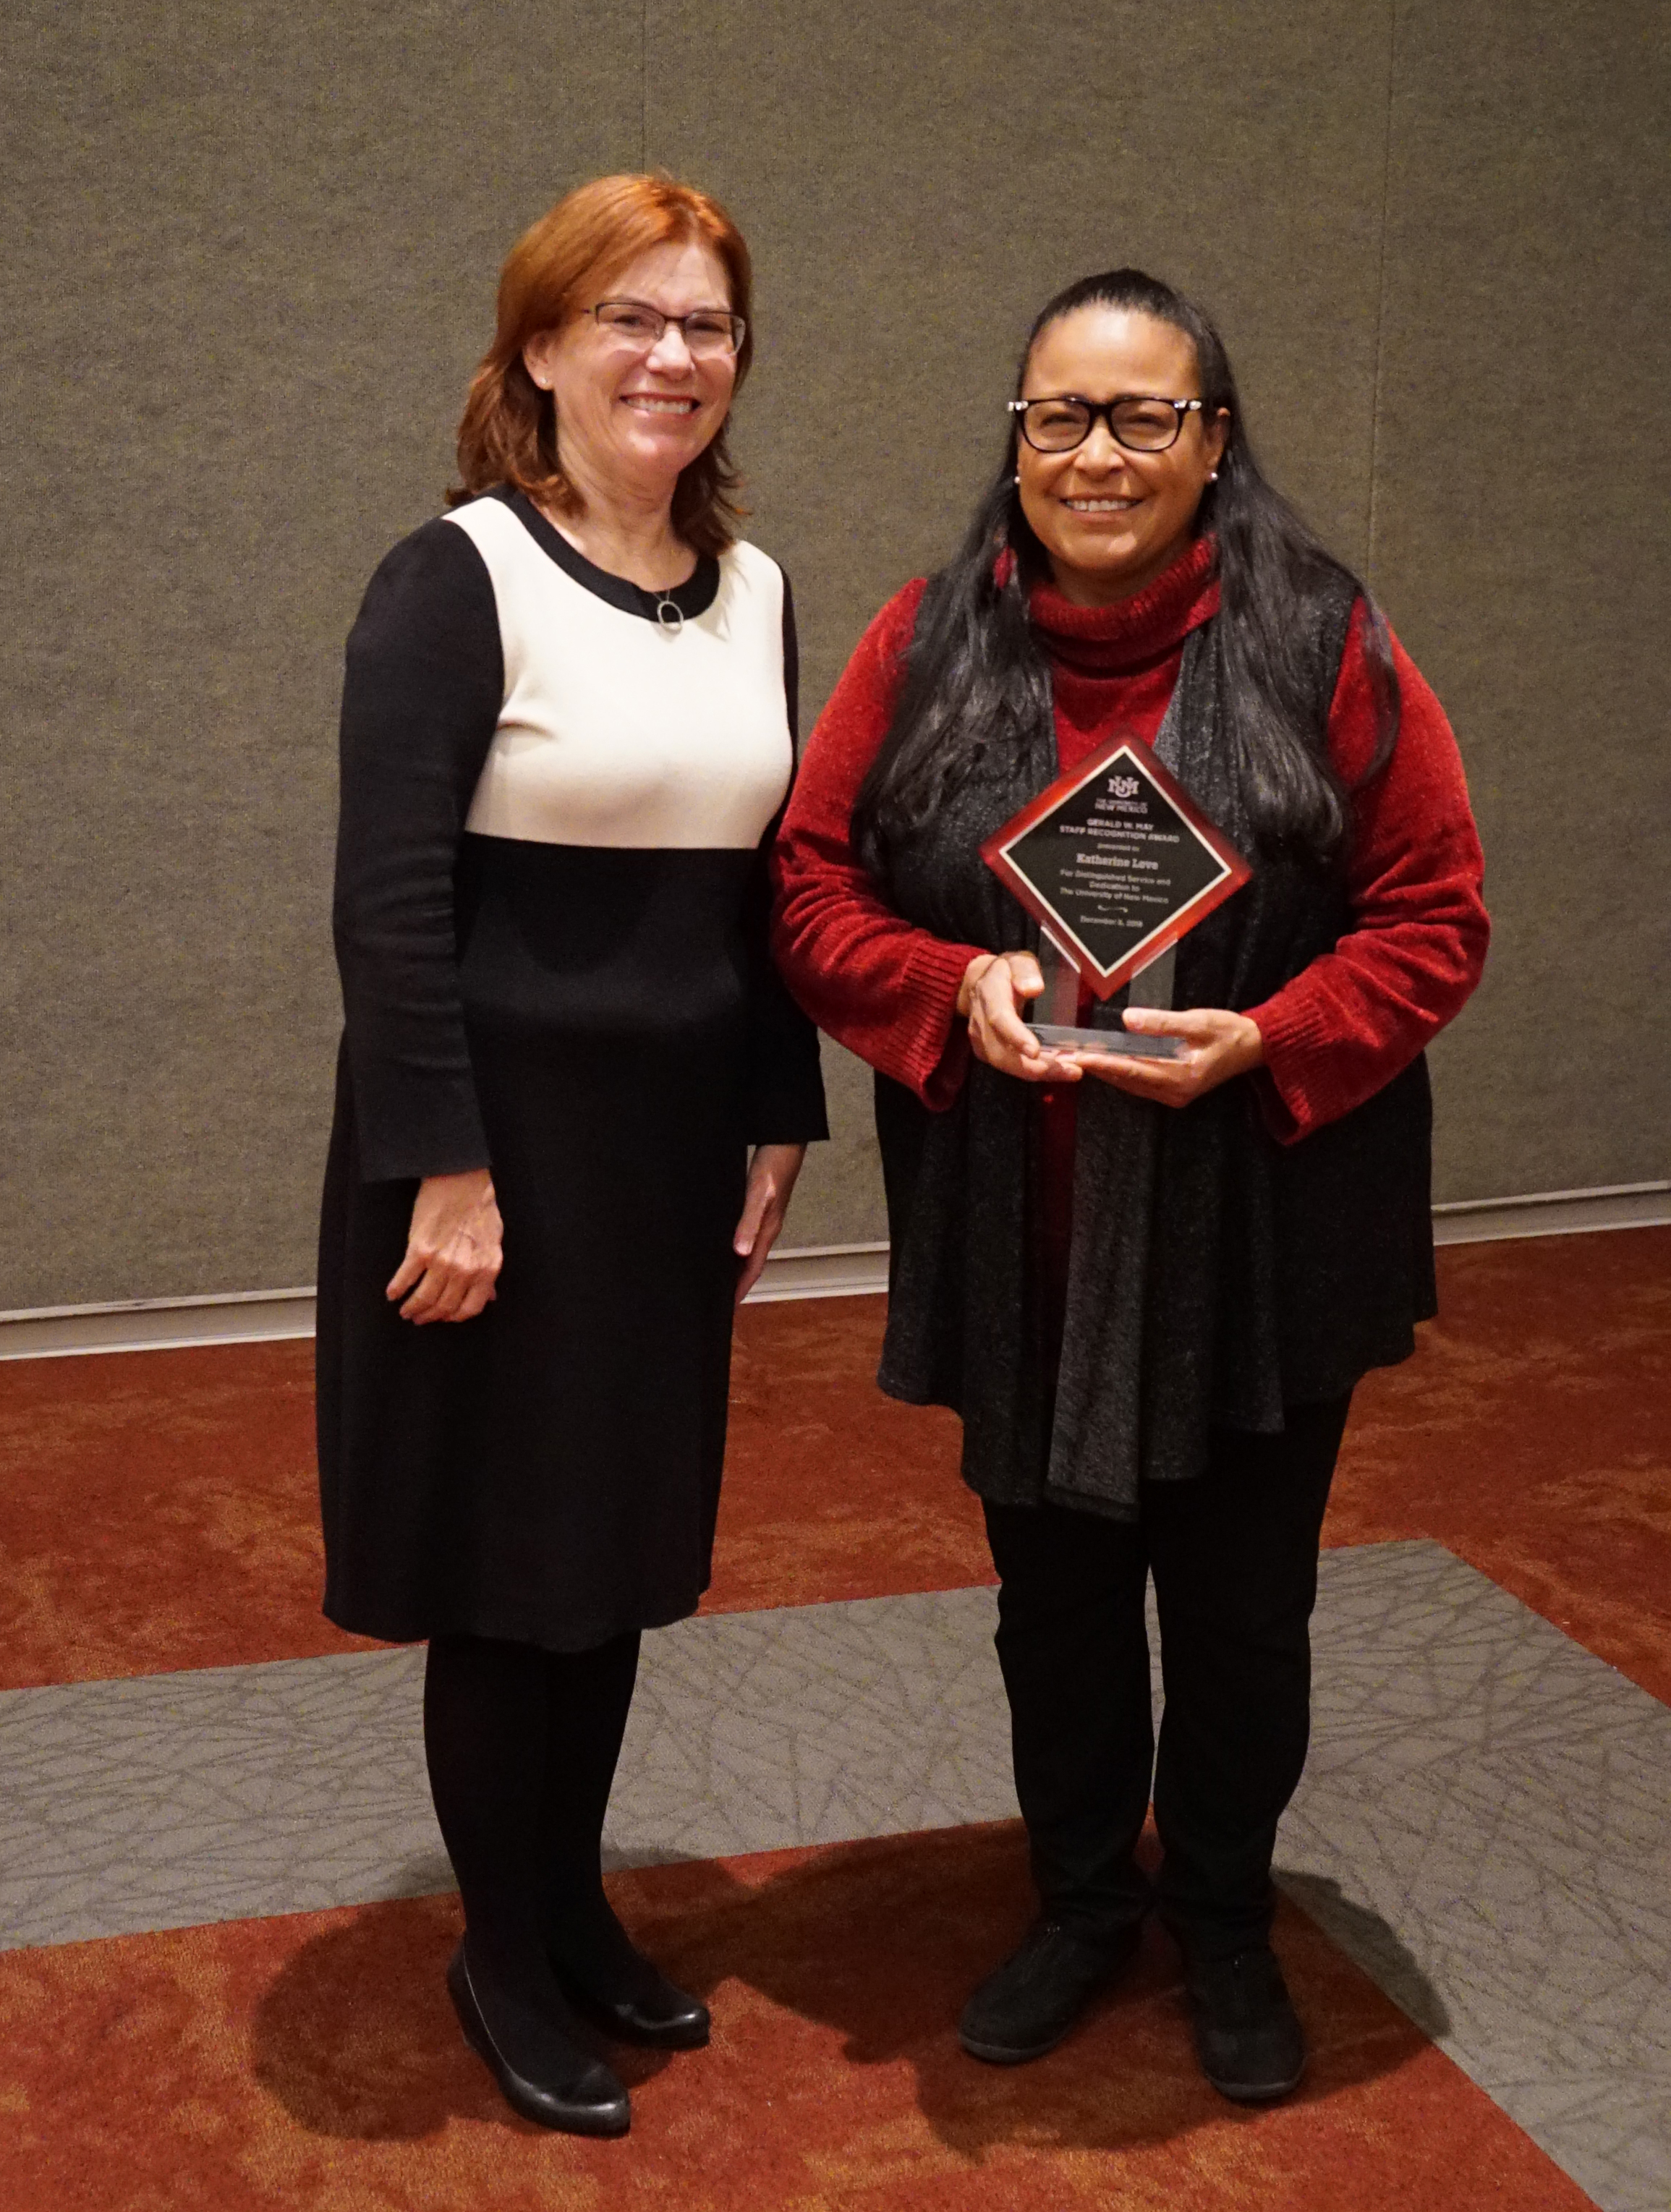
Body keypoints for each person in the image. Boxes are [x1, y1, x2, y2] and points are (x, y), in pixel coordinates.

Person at [772, 268, 1488, 2103]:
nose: (1096, 454)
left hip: (1260, 1231)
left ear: (1212, 439)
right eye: (1058, 416)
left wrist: (1275, 1033)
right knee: (1057, 1604)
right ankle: (1085, 1898)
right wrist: (945, 980)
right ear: (1015, 436)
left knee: (1243, 1613)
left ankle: (1226, 1916)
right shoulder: (927, 640)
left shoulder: (1322, 640)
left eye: (1141, 416)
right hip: (1020, 1229)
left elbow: (1434, 915)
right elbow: (808, 885)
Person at [317, 173, 826, 2138]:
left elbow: (770, 888)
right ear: (540, 346)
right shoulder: (457, 577)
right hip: (496, 1154)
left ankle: (572, 1901)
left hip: (668, 1155)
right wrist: (445, 1168)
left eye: (705, 324)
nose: (671, 355)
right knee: (503, 1557)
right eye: (630, 317)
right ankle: (500, 1950)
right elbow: (387, 906)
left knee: (610, 1548)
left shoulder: (756, 588)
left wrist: (777, 1107)